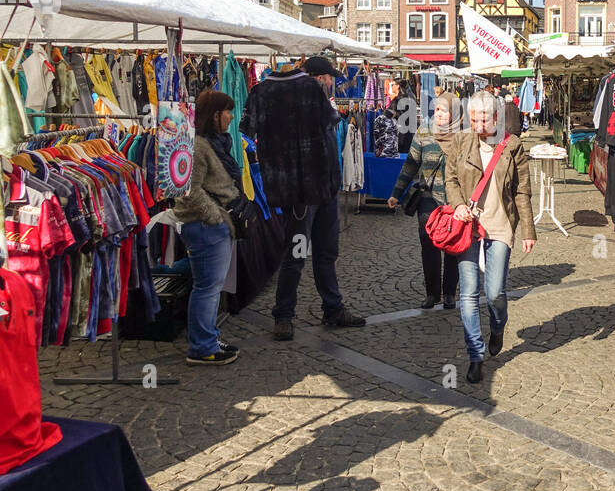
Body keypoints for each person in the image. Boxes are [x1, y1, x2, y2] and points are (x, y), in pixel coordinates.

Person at [241, 54, 365, 340]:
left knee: (316, 252)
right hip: (304, 191)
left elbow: (246, 132)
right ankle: (284, 314)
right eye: (330, 78)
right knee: (304, 254)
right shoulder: (308, 90)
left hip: (312, 189)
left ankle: (328, 308)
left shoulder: (261, 90)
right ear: (320, 77)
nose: (332, 83)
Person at [443, 90, 536, 384]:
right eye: (473, 118)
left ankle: (498, 325)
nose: (477, 123)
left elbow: (522, 189)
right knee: (469, 292)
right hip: (468, 227)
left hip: (500, 224)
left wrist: (528, 230)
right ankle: (475, 355)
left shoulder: (513, 146)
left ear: (496, 117)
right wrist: (458, 205)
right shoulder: (461, 142)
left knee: (494, 292)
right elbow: (451, 179)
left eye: (482, 118)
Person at [174, 89, 242, 366]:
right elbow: (189, 189)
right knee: (207, 288)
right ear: (214, 115)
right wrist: (215, 216)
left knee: (211, 287)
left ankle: (209, 337)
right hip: (206, 225)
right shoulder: (198, 145)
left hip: (212, 224)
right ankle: (202, 347)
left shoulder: (215, 143)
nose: (230, 117)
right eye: (227, 111)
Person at [388, 92, 461, 309]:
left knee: (452, 246)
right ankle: (432, 293)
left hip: (455, 200)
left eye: (444, 110)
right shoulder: (424, 132)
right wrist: (396, 193)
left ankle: (449, 293)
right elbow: (410, 164)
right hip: (428, 197)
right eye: (436, 109)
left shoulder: (464, 135)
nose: (439, 114)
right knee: (428, 245)